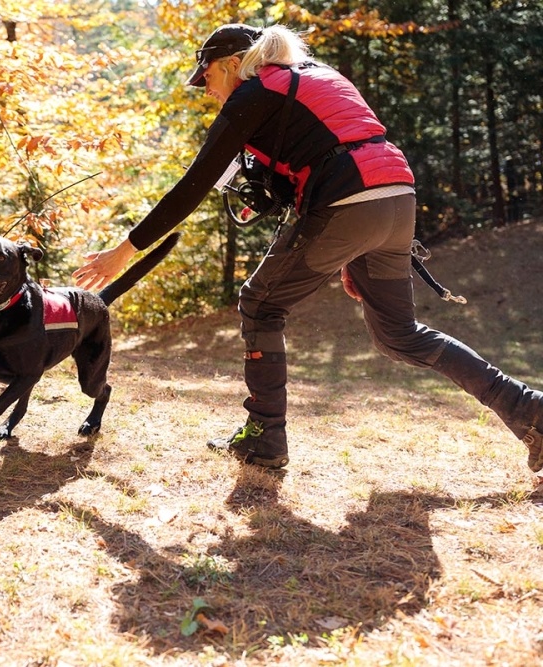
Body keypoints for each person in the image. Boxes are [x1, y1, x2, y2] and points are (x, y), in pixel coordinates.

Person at [72, 23, 543, 470]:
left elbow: (195, 185)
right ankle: (531, 412)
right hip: (397, 196)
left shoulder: (253, 93)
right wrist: (344, 244)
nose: (208, 89)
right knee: (400, 334)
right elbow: (332, 144)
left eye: (209, 76)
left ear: (236, 63)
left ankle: (265, 436)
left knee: (260, 303)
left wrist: (126, 250)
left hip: (348, 200)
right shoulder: (317, 77)